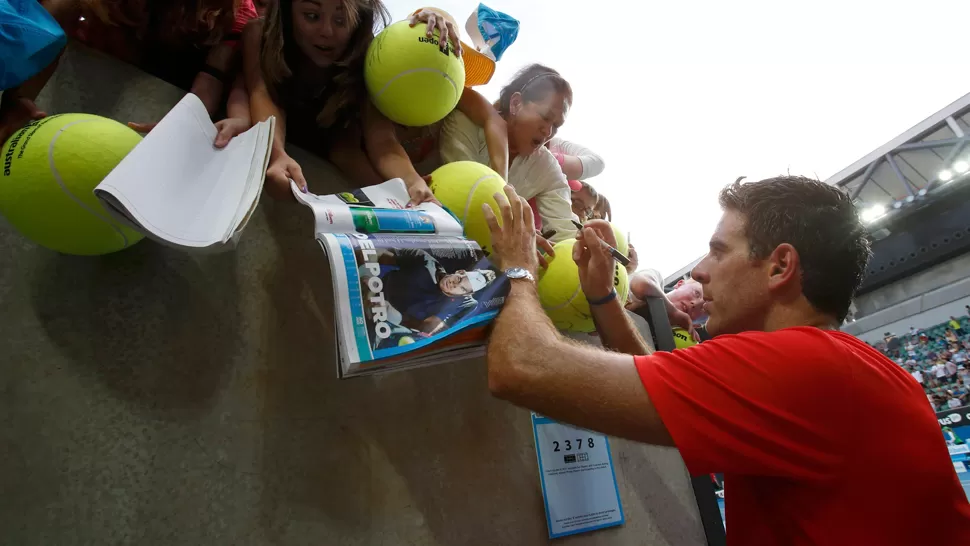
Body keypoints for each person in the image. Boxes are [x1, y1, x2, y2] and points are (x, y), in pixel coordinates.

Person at [478, 176, 970, 542]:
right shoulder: (840, 366)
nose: (699, 270)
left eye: (718, 251)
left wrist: (516, 266)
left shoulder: (797, 366)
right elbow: (659, 384)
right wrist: (603, 297)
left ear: (780, 266)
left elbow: (519, 367)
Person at [438, 63, 577, 243]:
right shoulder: (465, 124)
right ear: (516, 103)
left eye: (556, 126)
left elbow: (566, 233)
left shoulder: (546, 166)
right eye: (545, 117)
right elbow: (462, 198)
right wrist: (522, 236)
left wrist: (585, 244)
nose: (548, 131)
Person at [377, 247, 496, 336]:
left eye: (462, 288)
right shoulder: (424, 260)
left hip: (385, 321)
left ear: (466, 294)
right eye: (458, 279)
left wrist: (398, 318)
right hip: (372, 287)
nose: (454, 284)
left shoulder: (463, 304)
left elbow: (429, 327)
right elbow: (380, 254)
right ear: (459, 272)